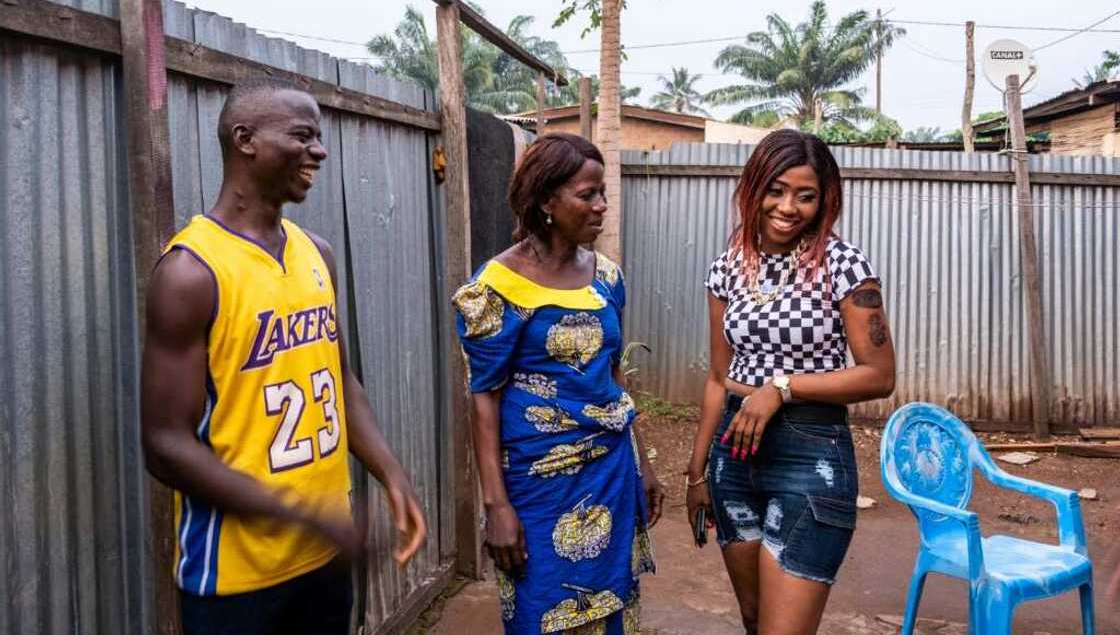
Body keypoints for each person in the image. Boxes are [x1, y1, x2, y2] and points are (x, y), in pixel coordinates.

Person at [141, 77, 426, 635]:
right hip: (237, 578)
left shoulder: (315, 252)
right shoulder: (191, 271)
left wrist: (392, 473)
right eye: (302, 135)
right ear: (245, 139)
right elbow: (164, 446)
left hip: (324, 559)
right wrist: (300, 517)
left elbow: (340, 380)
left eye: (318, 137)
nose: (318, 150)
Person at [684, 129, 896, 635]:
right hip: (732, 459)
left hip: (811, 455)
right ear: (754, 188)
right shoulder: (728, 267)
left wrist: (782, 387)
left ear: (825, 200)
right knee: (756, 622)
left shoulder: (843, 266)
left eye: (806, 195)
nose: (788, 207)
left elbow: (880, 375)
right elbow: (719, 377)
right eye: (776, 190)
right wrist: (697, 473)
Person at [453, 132, 664, 634]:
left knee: (614, 606)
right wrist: (495, 505)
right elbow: (484, 398)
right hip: (538, 487)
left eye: (603, 193)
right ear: (547, 200)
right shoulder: (497, 288)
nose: (602, 206)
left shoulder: (605, 276)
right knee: (541, 610)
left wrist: (644, 463)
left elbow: (613, 376)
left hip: (611, 474)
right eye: (587, 194)